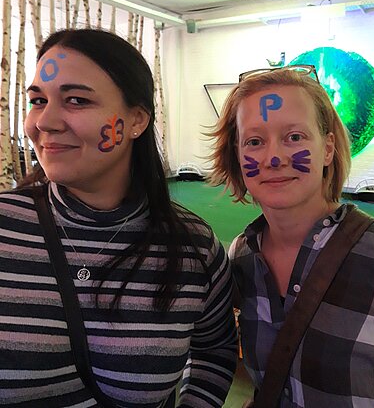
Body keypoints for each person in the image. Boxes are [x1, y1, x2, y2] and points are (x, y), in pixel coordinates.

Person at [0, 28, 237, 407]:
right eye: (38, 100)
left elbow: (214, 349)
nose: (44, 121)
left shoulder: (192, 246)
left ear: (137, 120)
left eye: (77, 100)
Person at [209, 65, 374, 407]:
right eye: (254, 141)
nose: (274, 157)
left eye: (294, 137)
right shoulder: (242, 256)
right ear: (238, 155)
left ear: (327, 148)